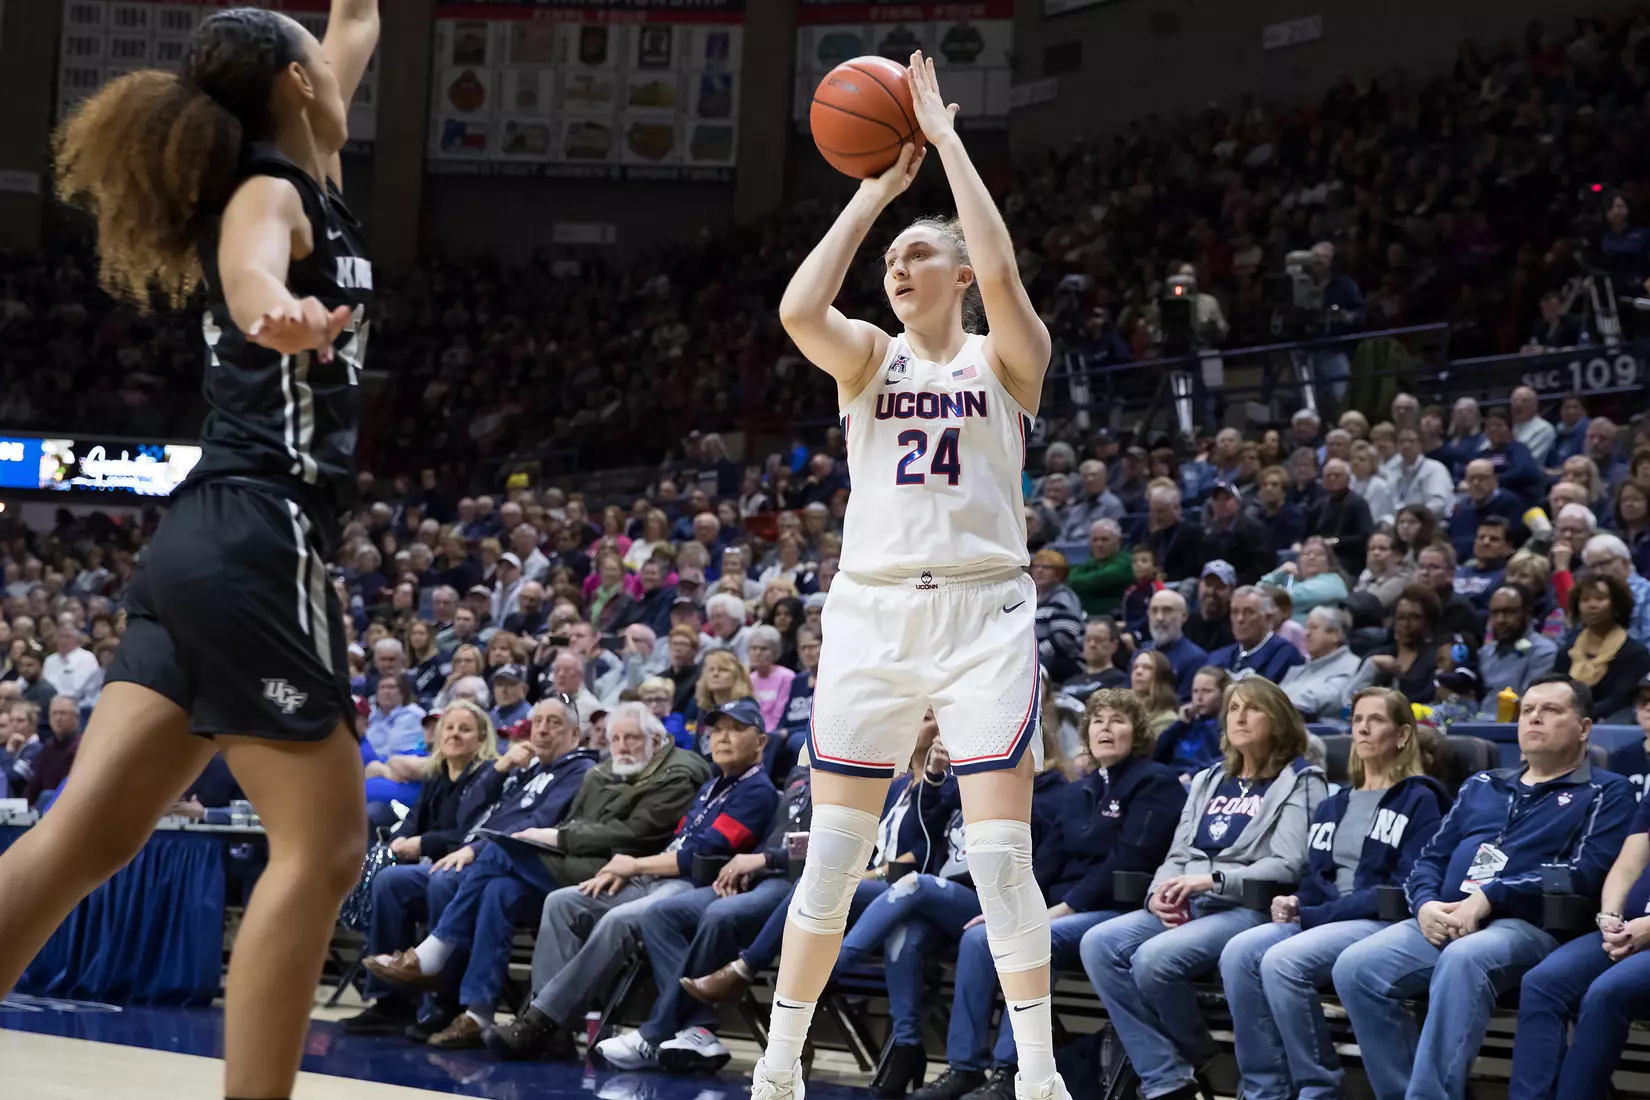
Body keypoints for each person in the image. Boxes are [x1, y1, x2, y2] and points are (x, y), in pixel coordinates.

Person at [0, 8, 381, 1099]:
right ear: (299, 85)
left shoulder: (320, 157)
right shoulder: (269, 191)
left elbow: (356, 17)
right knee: (325, 847)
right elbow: (253, 270)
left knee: (87, 834)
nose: (337, 53)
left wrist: (343, 24)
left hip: (199, 544)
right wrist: (276, 315)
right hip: (263, 532)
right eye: (319, 53)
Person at [748, 52, 1074, 1100]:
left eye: (920, 253)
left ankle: (1036, 1075)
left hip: (984, 611)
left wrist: (950, 146)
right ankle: (781, 1061)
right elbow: (801, 308)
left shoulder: (1002, 357)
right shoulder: (866, 358)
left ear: (960, 274)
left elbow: (1010, 274)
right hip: (874, 612)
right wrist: (876, 193)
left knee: (999, 858)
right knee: (834, 853)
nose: (899, 265)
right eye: (892, 257)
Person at [1333, 676, 1636, 1100]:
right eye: (1529, 709)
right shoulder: (1483, 785)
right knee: (1356, 967)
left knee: (1463, 959)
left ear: (1584, 728)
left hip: (1528, 924)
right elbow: (1429, 860)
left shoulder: (1606, 791)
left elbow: (1581, 872)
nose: (1534, 718)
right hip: (1448, 914)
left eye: (1550, 710)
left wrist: (1492, 896)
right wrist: (1423, 905)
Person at [910, 690, 1185, 1100]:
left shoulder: (1155, 783)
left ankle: (1011, 1071)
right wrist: (1009, 906)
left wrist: (1054, 910)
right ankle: (964, 1067)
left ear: (1138, 731)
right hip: (1058, 911)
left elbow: (1127, 860)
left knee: (1032, 938)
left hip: (1113, 910)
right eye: (1098, 720)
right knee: (979, 937)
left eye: (1118, 720)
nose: (1106, 728)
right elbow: (1046, 861)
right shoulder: (1081, 790)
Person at [483, 699, 776, 1060]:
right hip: (655, 875)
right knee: (562, 903)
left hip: (691, 886)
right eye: (717, 730)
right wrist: (631, 869)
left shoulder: (757, 791)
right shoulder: (713, 786)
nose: (723, 738)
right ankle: (557, 1033)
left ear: (761, 742)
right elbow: (679, 843)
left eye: (736, 729)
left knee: (619, 920)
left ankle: (540, 1020)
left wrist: (633, 865)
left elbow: (700, 857)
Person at [1079, 679, 1326, 1100]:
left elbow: (1289, 862)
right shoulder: (1211, 778)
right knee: (1098, 943)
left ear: (1279, 720)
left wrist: (1212, 880)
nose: (1239, 717)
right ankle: (1166, 1075)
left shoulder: (1301, 780)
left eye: (1252, 709)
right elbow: (1178, 851)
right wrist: (1158, 893)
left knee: (1152, 960)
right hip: (1189, 898)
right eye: (1233, 709)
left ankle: (1197, 1053)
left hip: (1247, 907)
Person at [1219, 687, 1448, 1100]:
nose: (1362, 727)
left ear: (1401, 736)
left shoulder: (1421, 799)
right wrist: (1294, 902)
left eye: (1376, 719)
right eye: (1358, 718)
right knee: (1239, 953)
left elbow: (1404, 886)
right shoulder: (1335, 801)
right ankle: (1265, 1090)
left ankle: (1317, 1089)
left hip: (1377, 920)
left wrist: (1314, 914)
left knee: (1283, 962)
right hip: (1323, 917)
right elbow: (1312, 876)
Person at [360, 694, 600, 1047]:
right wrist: (502, 769)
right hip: (501, 872)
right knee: (483, 891)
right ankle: (475, 1012)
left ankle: (437, 969)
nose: (543, 730)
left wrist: (476, 848)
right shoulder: (529, 769)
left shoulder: (578, 771)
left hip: (539, 869)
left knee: (450, 880)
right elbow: (469, 812)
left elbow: (537, 823)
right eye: (538, 722)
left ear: (575, 734)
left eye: (555, 723)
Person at [339, 700, 499, 1036]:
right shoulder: (437, 774)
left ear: (481, 738)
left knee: (441, 882)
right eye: (450, 728)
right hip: (431, 866)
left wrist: (423, 844)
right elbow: (412, 821)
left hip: (469, 866)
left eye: (464, 729)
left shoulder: (487, 776)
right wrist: (397, 842)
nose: (455, 734)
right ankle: (390, 1001)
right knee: (388, 881)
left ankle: (447, 1000)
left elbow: (471, 832)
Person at [1510, 757, 1650, 1100]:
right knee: (1543, 983)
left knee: (1605, 993)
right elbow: (1628, 864)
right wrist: (1609, 916)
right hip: (1626, 931)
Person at [1552, 572, 1650, 721]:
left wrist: (1574, 716)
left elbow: (1618, 701)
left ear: (1617, 606)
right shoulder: (1567, 652)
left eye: (1600, 599)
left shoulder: (1636, 654)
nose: (1592, 605)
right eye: (1585, 600)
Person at [1348, 584, 1444, 705]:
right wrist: (1372, 667)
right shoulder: (1375, 657)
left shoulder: (1437, 658)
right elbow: (1349, 702)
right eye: (1401, 617)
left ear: (1429, 622)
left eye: (1415, 617)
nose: (1406, 624)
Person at [1477, 584, 1560, 708]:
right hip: (1478, 723)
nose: (1501, 620)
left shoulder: (1544, 652)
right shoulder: (1484, 653)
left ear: (1528, 613)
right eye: (1495, 613)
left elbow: (1531, 704)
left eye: (1509, 612)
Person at [1279, 606, 1364, 721]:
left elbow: (1323, 700)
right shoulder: (1299, 670)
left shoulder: (1352, 666)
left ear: (1335, 635)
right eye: (1306, 627)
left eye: (1313, 628)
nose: (1306, 633)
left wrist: (1275, 705)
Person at [1208, 586, 1306, 682]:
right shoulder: (1218, 657)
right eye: (1235, 612)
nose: (1240, 619)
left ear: (1268, 618)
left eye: (1249, 612)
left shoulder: (1285, 654)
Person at [1154, 668, 1231, 778]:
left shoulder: (1227, 726)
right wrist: (1179, 724)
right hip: (1172, 777)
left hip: (1202, 779)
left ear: (1224, 693)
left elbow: (1226, 759)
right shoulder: (1185, 724)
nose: (1199, 698)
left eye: (1207, 691)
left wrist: (1192, 774)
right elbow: (1156, 752)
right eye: (1195, 691)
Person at [1447, 460, 1527, 562]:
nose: (1476, 483)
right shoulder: (1461, 507)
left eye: (1481, 478)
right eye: (1471, 479)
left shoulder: (1510, 503)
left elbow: (1514, 545)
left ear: (1495, 479)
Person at [1260, 536, 1351, 624]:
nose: (1311, 557)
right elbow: (1258, 591)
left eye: (1319, 554)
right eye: (1306, 553)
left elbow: (1291, 597)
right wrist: (1278, 572)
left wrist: (1274, 593)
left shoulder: (1334, 582)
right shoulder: (1290, 578)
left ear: (1329, 562)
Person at [1196, 482, 1273, 586]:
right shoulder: (1209, 534)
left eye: (1226, 499)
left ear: (1237, 502)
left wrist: (1233, 585)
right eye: (1217, 499)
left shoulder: (1255, 530)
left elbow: (1261, 568)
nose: (1221, 503)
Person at [1304, 459, 1373, 574]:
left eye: (1337, 475)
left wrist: (1335, 541)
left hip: (1348, 559)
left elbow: (1364, 537)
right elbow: (1308, 532)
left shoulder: (1358, 503)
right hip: (1320, 555)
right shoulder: (1320, 504)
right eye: (1328, 475)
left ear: (1348, 478)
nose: (1332, 479)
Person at [1142, 589, 1208, 700]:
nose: (1159, 618)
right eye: (1154, 610)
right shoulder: (1140, 654)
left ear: (1184, 616)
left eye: (1167, 610)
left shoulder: (1196, 659)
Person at [1066, 520, 1131, 617]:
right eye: (1095, 540)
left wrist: (1074, 581)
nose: (1099, 544)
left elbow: (1105, 577)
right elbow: (1071, 577)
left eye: (1104, 539)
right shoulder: (1090, 562)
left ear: (1118, 541)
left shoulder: (1126, 561)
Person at [1388, 428, 1456, 519]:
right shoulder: (1391, 470)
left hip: (1429, 523)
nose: (1406, 445)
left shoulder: (1435, 469)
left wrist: (1411, 518)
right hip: (1400, 522)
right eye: (1402, 441)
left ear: (1421, 445)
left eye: (1411, 441)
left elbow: (1438, 505)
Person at [1062, 618, 1126, 700]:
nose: (1092, 644)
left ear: (1114, 645)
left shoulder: (1119, 681)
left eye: (1099, 640)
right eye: (1088, 639)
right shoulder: (1069, 682)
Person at [1184, 562, 1236, 654]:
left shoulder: (1235, 628)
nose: (1212, 591)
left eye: (1220, 586)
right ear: (1199, 585)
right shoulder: (1185, 622)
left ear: (1231, 591)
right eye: (1208, 584)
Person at [1355, 528, 1414, 610]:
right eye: (1372, 548)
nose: (1376, 553)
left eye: (1382, 549)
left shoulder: (1403, 577)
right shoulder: (1366, 573)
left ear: (1398, 555)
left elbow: (1372, 604)